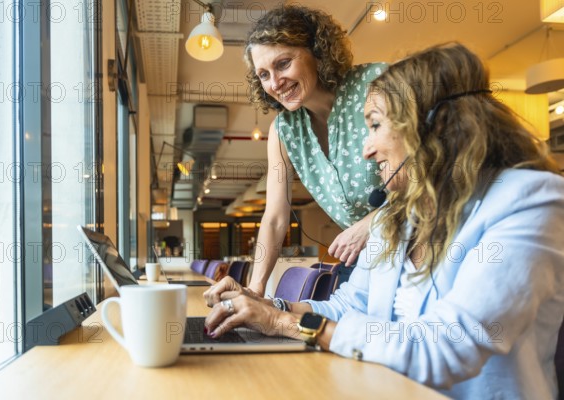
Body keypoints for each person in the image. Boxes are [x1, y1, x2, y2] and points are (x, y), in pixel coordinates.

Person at [203, 42, 564, 399]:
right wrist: (267, 307)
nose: (366, 148)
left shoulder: (530, 201)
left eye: (375, 125)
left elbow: (442, 348)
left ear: (432, 127)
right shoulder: (397, 215)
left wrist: (285, 323)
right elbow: (348, 307)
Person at [240, 5, 387, 297]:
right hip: (361, 262)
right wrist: (255, 290)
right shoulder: (283, 130)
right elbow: (275, 218)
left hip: (418, 249)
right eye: (263, 74)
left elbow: (429, 175)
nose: (275, 83)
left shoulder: (376, 85)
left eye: (283, 64)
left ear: (317, 51)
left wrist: (374, 223)